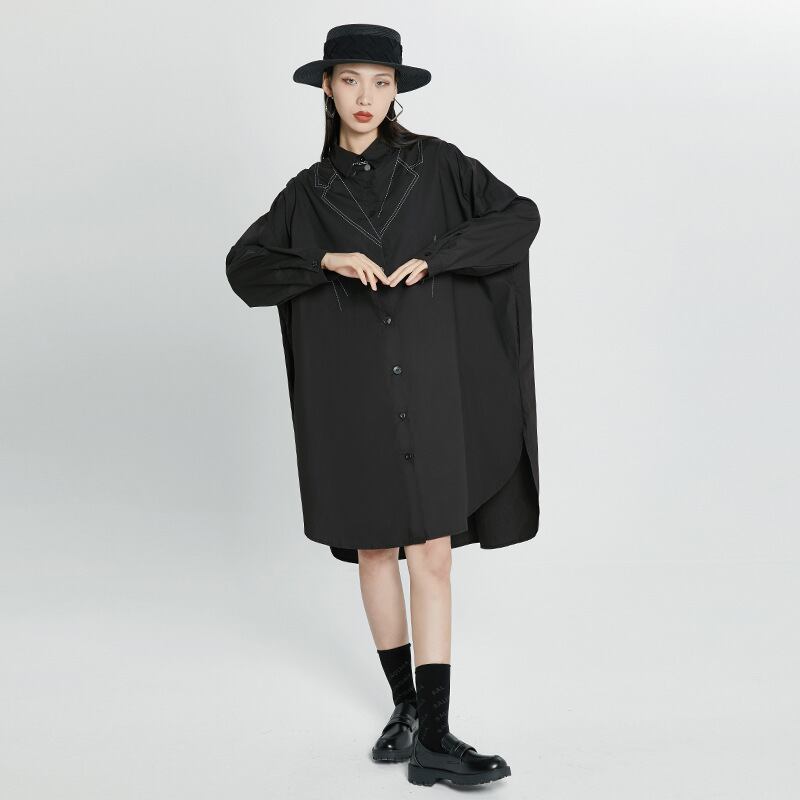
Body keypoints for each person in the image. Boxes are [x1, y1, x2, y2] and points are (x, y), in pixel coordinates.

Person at [225, 24, 542, 787]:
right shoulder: (307, 194)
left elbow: (519, 217)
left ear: (397, 90)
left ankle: (433, 734)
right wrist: (321, 259)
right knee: (373, 549)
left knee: (432, 551)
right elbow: (245, 268)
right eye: (350, 80)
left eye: (380, 81)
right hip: (354, 395)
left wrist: (439, 256)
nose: (365, 97)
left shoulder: (440, 166)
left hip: (430, 388)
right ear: (326, 87)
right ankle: (405, 708)